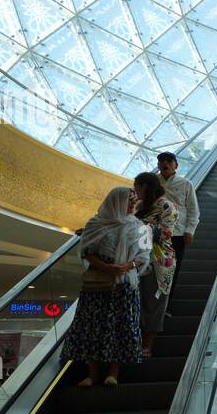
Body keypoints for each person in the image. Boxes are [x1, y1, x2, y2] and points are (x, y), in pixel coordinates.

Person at [64, 186, 151, 387]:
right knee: (92, 325)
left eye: (134, 200)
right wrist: (106, 267)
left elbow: (144, 256)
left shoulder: (139, 226)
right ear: (116, 200)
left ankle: (113, 373)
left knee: (121, 325)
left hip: (124, 283)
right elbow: (87, 250)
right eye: (129, 200)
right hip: (98, 282)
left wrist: (128, 265)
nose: (133, 204)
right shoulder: (96, 223)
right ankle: (92, 373)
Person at [133, 171, 178, 358]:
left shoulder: (166, 206)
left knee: (154, 303)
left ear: (144, 186)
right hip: (137, 259)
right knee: (138, 302)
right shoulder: (140, 205)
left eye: (137, 186)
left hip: (159, 260)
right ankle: (134, 342)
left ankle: (147, 345)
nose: (135, 191)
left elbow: (165, 234)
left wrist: (136, 227)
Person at [157, 152, 200, 294]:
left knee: (173, 268)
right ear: (158, 165)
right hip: (154, 232)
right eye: (162, 161)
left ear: (176, 165)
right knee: (153, 267)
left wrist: (190, 230)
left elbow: (193, 209)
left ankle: (166, 305)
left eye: (169, 161)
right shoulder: (152, 183)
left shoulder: (186, 184)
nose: (165, 163)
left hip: (177, 234)